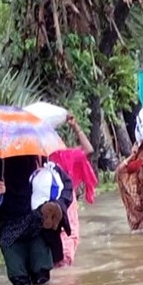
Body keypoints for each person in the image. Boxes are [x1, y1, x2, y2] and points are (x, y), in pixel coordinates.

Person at [0, 155, 73, 285]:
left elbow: (65, 184)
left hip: (37, 224)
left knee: (41, 276)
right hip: (11, 228)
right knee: (19, 280)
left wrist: (57, 206)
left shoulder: (37, 152)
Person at [47, 114, 97, 267]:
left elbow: (88, 149)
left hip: (66, 202)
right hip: (48, 204)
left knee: (67, 236)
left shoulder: (66, 155)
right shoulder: (39, 158)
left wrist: (75, 126)